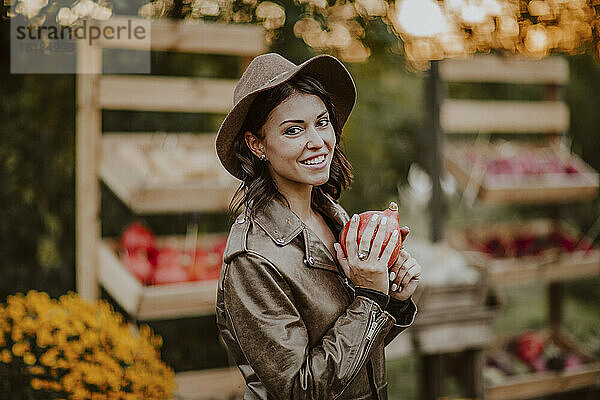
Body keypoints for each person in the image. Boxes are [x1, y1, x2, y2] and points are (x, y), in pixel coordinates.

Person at [214, 52, 422, 399]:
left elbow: (353, 354)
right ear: (257, 144)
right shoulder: (253, 259)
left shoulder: (333, 218)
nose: (317, 141)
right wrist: (371, 297)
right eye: (293, 130)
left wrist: (392, 300)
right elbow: (301, 389)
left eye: (322, 122)